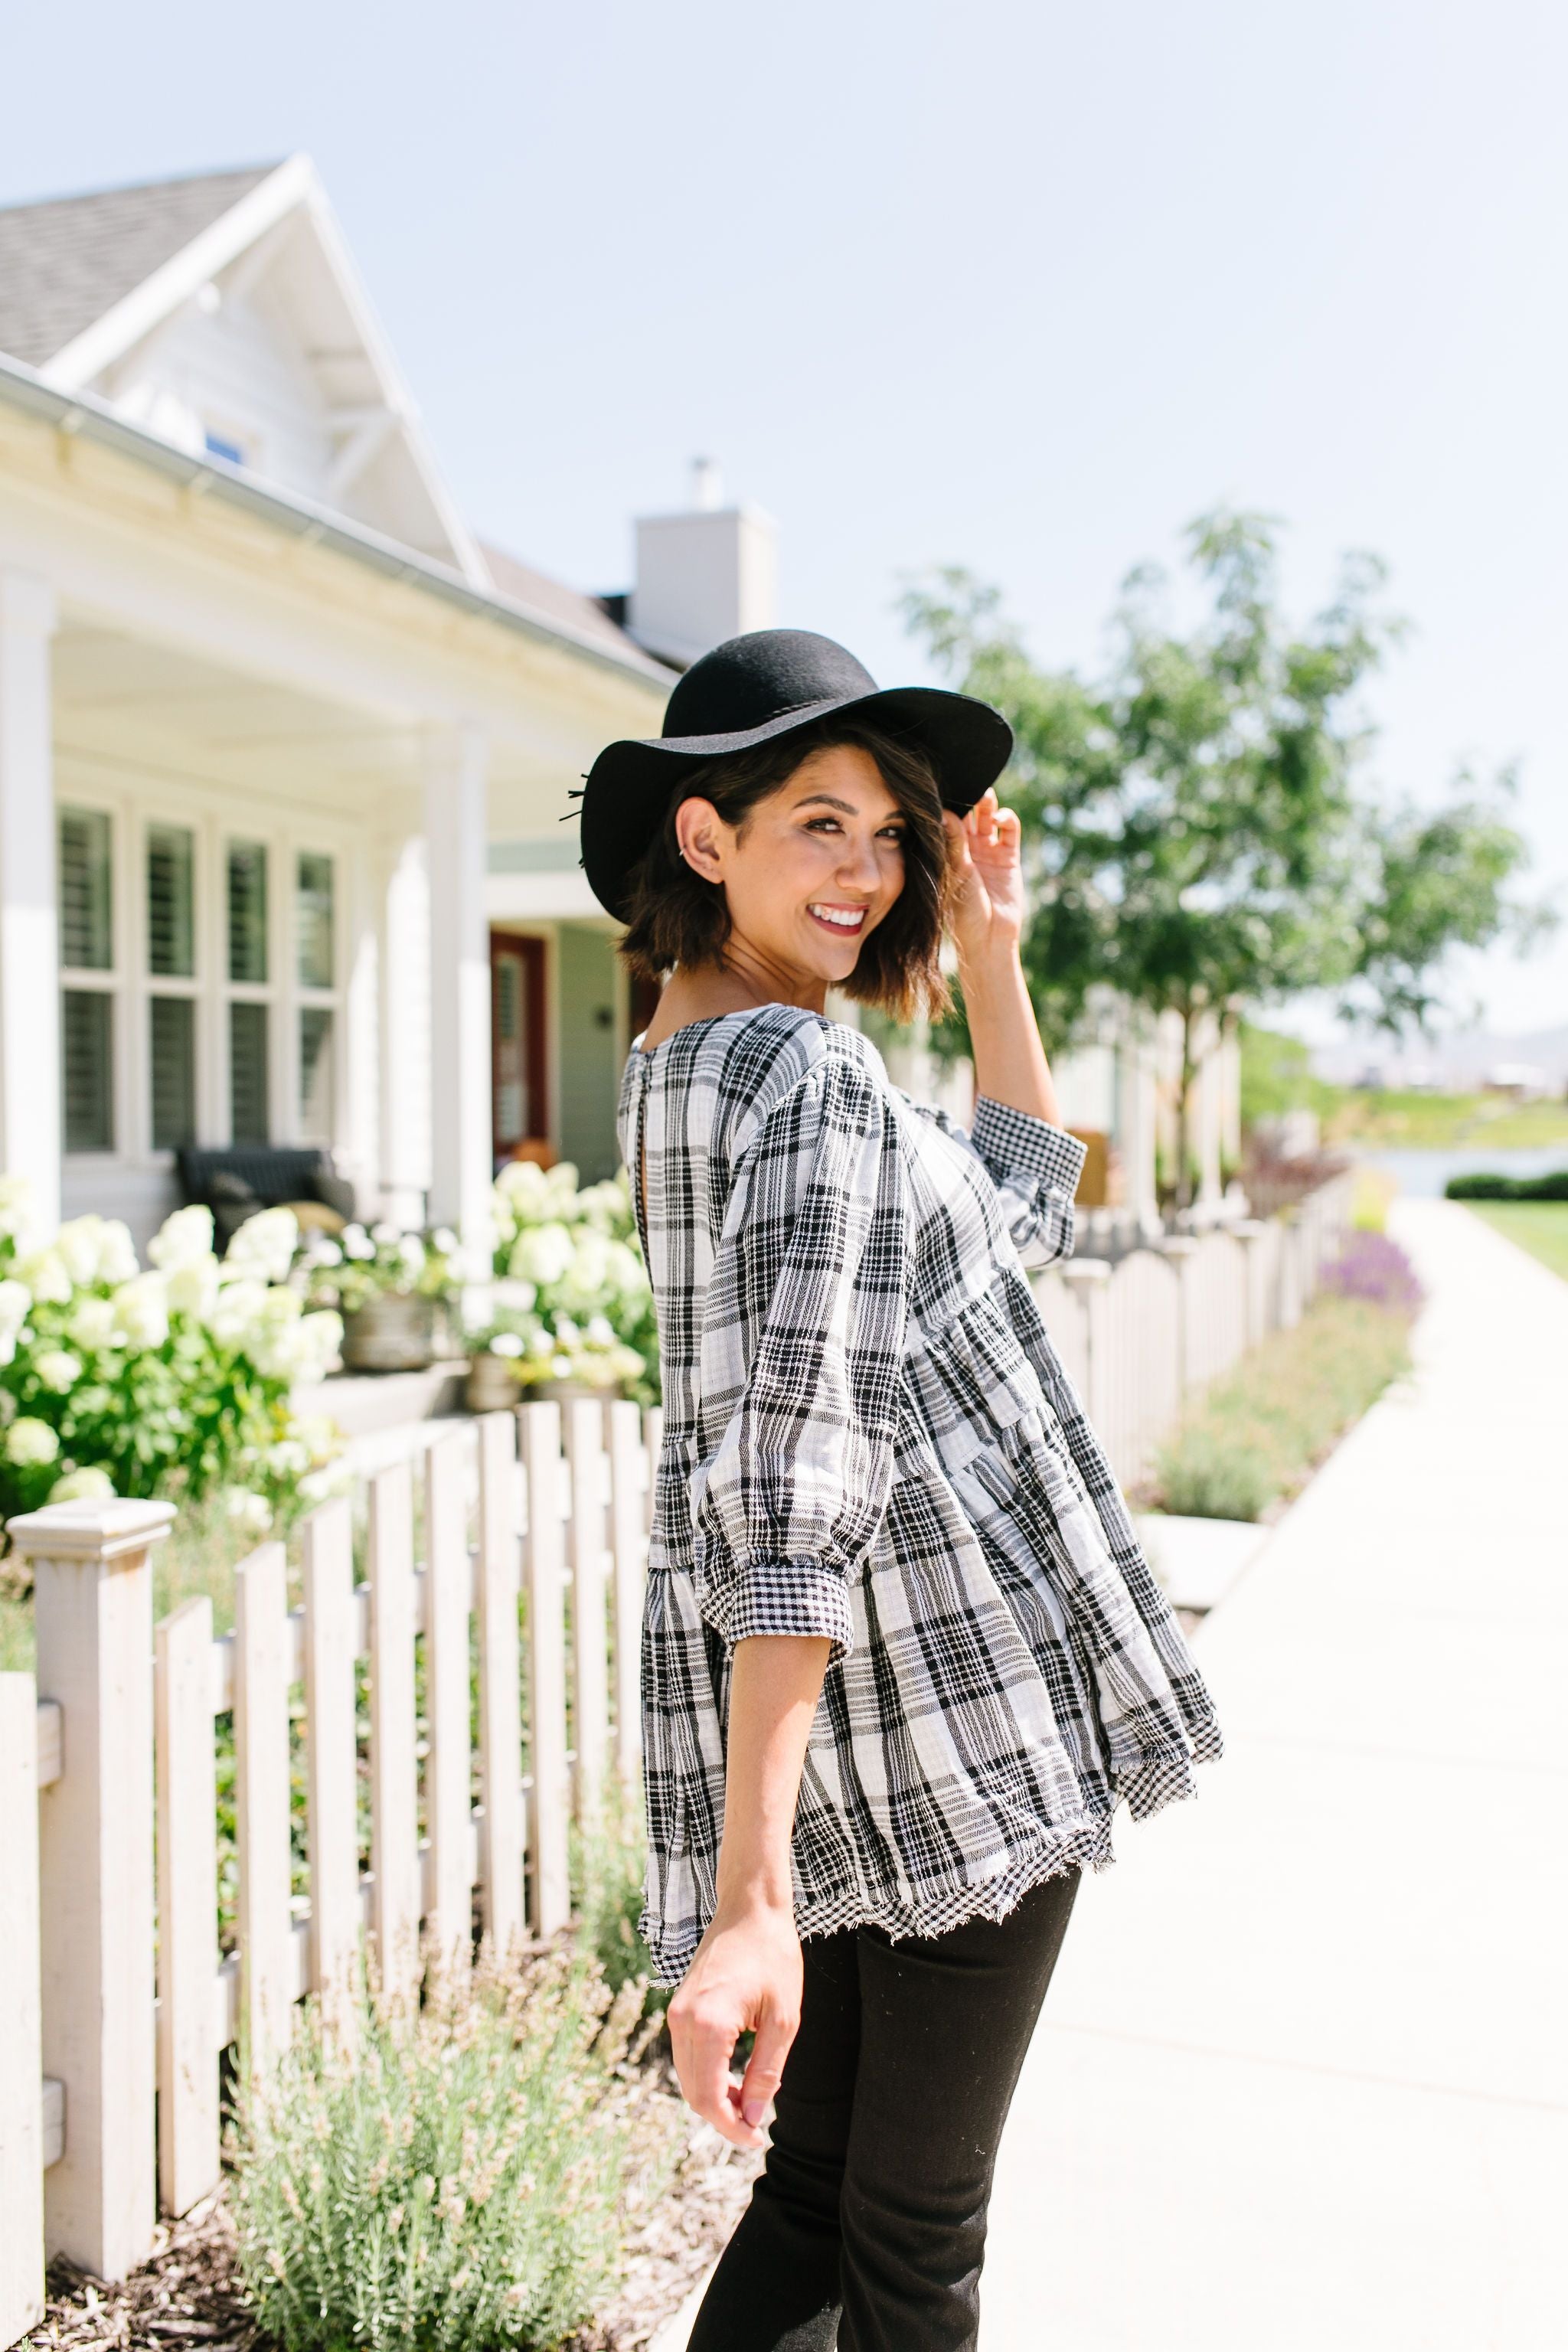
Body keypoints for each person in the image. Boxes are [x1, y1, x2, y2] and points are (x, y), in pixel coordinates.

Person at [576, 630, 1221, 2352]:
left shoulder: (689, 1066)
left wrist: (995, 957)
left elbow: (1015, 1213)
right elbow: (796, 1459)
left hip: (860, 1726)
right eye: (817, 827)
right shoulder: (801, 1076)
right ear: (705, 840)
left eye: (885, 837)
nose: (864, 876)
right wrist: (750, 1900)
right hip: (953, 1721)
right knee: (916, 2249)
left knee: (827, 2205)